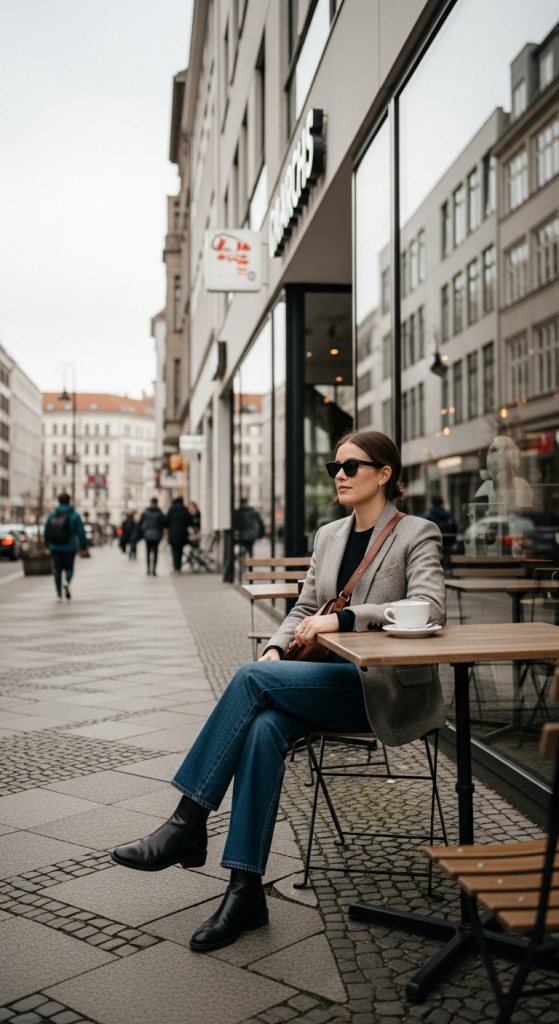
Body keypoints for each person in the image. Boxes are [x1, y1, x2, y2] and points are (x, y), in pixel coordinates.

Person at [112, 430, 446, 953]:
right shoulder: (329, 535)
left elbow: (429, 607)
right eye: (335, 466)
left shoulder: (416, 533)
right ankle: (245, 891)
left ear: (384, 474)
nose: (340, 475)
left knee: (250, 680)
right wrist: (274, 647)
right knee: (264, 727)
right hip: (322, 679)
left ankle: (187, 823)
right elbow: (304, 607)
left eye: (352, 466)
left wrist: (347, 620)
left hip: (380, 687)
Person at [44, 492, 89, 601]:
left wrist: (47, 546)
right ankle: (67, 581)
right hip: (69, 547)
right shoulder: (74, 515)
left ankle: (59, 595)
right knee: (69, 568)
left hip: (55, 547)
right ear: (69, 501)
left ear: (58, 501)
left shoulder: (52, 514)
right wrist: (84, 547)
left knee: (57, 570)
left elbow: (46, 531)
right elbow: (81, 533)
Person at [422, 494, 457, 573]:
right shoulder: (448, 514)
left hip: (433, 542)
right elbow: (454, 528)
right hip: (448, 542)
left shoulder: (428, 515)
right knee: (447, 558)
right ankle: (447, 571)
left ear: (432, 503)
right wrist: (453, 541)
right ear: (442, 503)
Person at [138, 497, 166, 576]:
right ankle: (154, 570)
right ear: (157, 502)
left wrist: (142, 532)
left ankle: (148, 569)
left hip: (147, 534)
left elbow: (140, 523)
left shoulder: (146, 512)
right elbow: (165, 522)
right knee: (155, 553)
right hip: (157, 534)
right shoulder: (160, 513)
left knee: (148, 552)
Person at [167, 496, 193, 575]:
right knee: (180, 551)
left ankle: (176, 568)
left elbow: (167, 521)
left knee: (174, 551)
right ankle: (179, 567)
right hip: (182, 533)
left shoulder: (171, 510)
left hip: (173, 533)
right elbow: (190, 520)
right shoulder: (184, 510)